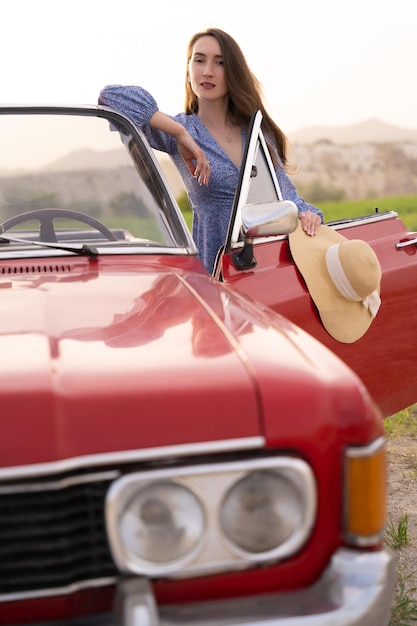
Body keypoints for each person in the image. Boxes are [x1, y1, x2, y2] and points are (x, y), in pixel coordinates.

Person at [98, 28, 324, 274]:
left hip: (268, 266)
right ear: (188, 70)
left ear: (233, 72)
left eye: (220, 62)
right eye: (199, 60)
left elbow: (287, 197)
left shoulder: (258, 133)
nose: (207, 71)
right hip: (216, 270)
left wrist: (307, 214)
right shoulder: (180, 131)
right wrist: (180, 133)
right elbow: (110, 97)